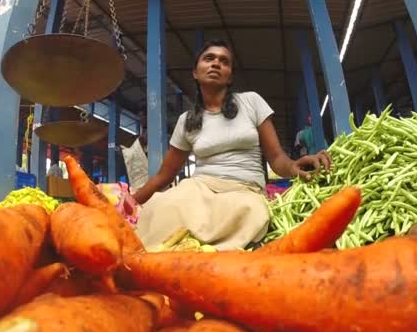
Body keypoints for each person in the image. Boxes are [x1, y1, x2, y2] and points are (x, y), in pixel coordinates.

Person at [132, 39, 332, 251]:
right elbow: (164, 176)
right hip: (198, 189)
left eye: (224, 61)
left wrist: (294, 167)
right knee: (161, 206)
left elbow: (276, 159)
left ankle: (199, 254)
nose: (216, 63)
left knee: (254, 212)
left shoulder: (251, 102)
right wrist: (129, 202)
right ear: (195, 72)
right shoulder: (186, 121)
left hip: (244, 190)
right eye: (209, 58)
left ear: (230, 76)